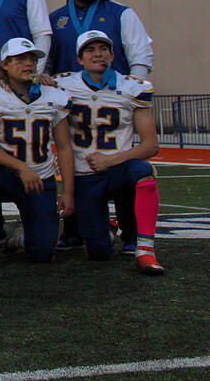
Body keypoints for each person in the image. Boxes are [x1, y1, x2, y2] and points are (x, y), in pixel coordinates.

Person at [48, 0, 154, 252]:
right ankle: (77, 229)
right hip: (74, 104)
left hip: (113, 100)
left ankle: (133, 235)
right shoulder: (56, 18)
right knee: (75, 163)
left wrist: (129, 94)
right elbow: (49, 62)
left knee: (129, 165)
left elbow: (140, 55)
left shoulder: (121, 12)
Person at [0, 38, 75, 271]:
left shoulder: (55, 96)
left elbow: (63, 147)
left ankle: (21, 237)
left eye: (32, 59)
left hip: (40, 178)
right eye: (20, 59)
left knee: (42, 253)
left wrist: (68, 192)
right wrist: (21, 168)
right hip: (6, 174)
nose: (28, 64)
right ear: (5, 65)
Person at [54, 31, 163, 274]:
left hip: (119, 170)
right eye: (90, 50)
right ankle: (107, 229)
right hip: (84, 175)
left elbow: (150, 146)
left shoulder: (132, 87)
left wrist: (110, 159)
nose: (98, 54)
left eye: (103, 49)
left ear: (112, 55)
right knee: (99, 253)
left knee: (144, 171)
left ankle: (145, 250)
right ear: (80, 59)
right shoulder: (63, 85)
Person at [48, 0, 153, 78]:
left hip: (113, 94)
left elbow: (140, 56)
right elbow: (46, 64)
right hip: (68, 95)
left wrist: (134, 89)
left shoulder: (121, 13)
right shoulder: (54, 19)